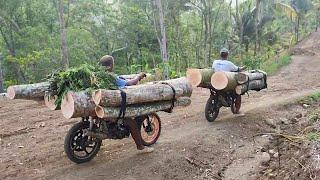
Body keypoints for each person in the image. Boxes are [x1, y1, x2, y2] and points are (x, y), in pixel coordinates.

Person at [99, 55, 154, 153]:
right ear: (111, 65)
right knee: (131, 122)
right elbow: (130, 84)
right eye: (113, 63)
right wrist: (138, 77)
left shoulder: (99, 76)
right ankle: (140, 147)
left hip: (101, 105)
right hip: (112, 108)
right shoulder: (112, 77)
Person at [212, 48, 245, 115]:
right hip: (225, 83)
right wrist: (243, 68)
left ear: (220, 55)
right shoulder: (229, 63)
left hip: (214, 81)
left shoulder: (215, 62)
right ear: (227, 55)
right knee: (238, 94)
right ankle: (237, 110)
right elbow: (238, 69)